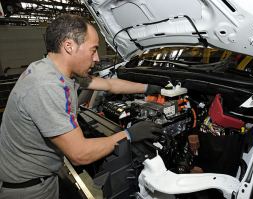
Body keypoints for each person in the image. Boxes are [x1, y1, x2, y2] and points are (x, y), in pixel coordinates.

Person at [0, 14, 162, 199]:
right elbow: (80, 154)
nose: (97, 58)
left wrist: (149, 88)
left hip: (38, 177)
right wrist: (129, 134)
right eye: (93, 50)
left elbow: (110, 84)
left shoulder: (50, 68)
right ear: (69, 46)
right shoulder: (47, 86)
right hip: (29, 190)